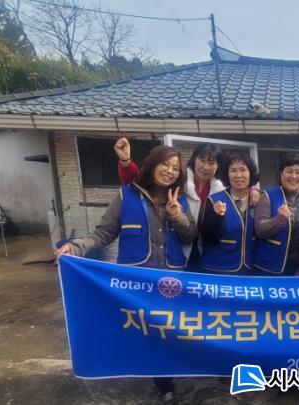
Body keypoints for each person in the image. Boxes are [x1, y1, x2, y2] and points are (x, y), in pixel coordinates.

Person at [56, 145, 197, 404]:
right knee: (141, 331)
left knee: (166, 332)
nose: (169, 171)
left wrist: (177, 215)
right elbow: (103, 234)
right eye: (165, 164)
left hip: (171, 282)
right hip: (136, 284)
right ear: (152, 165)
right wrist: (75, 246)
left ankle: (165, 381)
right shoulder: (126, 196)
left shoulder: (181, 200)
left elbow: (190, 237)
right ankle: (147, 373)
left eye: (176, 168)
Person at [114, 138, 225, 268]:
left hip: (205, 250)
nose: (206, 167)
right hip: (175, 248)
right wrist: (126, 162)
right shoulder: (177, 180)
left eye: (211, 163)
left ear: (218, 166)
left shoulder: (220, 193)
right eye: (202, 160)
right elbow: (139, 184)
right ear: (194, 159)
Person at [254, 152, 299, 275]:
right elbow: (259, 230)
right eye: (289, 171)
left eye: (298, 172)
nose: (293, 176)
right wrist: (278, 219)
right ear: (281, 174)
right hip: (269, 269)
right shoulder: (268, 196)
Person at [198, 152, 260, 274]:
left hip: (249, 269)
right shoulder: (213, 200)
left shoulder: (260, 199)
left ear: (251, 173)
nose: (238, 175)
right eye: (233, 170)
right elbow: (205, 237)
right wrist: (216, 217)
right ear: (227, 174)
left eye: (243, 170)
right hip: (218, 269)